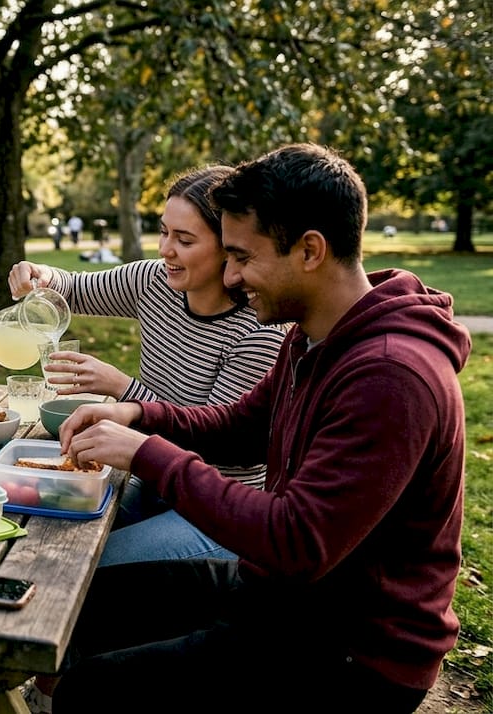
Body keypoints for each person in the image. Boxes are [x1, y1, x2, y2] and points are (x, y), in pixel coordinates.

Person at [51, 143, 468, 712]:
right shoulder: (312, 333)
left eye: (243, 257)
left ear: (310, 250)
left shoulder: (391, 376)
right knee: (80, 598)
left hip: (351, 651)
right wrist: (138, 413)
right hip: (284, 596)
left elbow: (296, 542)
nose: (231, 275)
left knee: (93, 692)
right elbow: (243, 425)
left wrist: (149, 453)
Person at [9, 166, 286, 714]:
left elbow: (220, 433)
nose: (167, 251)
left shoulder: (260, 325)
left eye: (185, 239)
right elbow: (69, 287)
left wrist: (124, 390)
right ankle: (50, 681)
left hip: (213, 504)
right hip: (151, 478)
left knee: (89, 569)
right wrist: (36, 275)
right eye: (163, 232)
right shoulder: (153, 281)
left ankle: (54, 694)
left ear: (229, 247)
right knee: (51, 542)